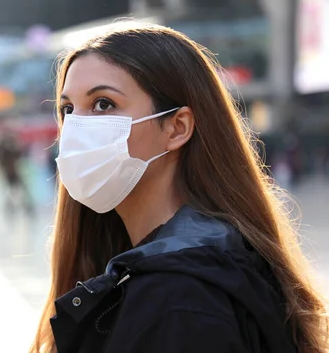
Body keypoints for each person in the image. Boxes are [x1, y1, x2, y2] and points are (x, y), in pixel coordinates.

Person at [31, 23, 328, 353]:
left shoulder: (179, 298)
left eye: (104, 104)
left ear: (177, 128)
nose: (76, 128)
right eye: (68, 109)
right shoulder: (205, 259)